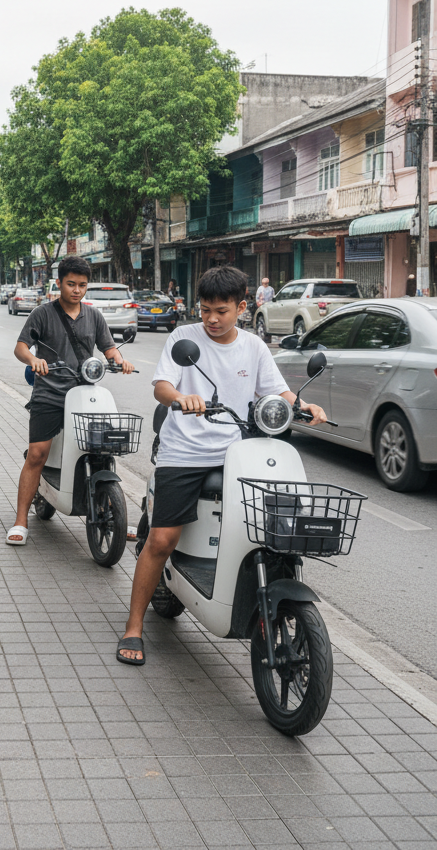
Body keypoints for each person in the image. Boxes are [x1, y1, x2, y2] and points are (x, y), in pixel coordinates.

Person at [116, 265, 328, 666]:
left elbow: (277, 391)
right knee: (162, 540)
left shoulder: (254, 347)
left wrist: (304, 406)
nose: (212, 319)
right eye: (205, 310)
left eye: (221, 311)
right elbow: (161, 385)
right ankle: (133, 626)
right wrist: (180, 398)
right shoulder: (183, 338)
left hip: (237, 453)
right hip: (185, 453)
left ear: (242, 307)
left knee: (273, 526)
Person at [7, 256, 134, 546]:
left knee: (105, 449)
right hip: (49, 393)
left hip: (86, 394)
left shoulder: (94, 316)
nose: (77, 290)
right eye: (71, 284)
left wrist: (120, 360)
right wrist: (34, 359)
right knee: (37, 454)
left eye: (82, 285)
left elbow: (109, 348)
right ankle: (21, 519)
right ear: (60, 283)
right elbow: (21, 347)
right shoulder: (42, 313)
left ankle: (114, 509)